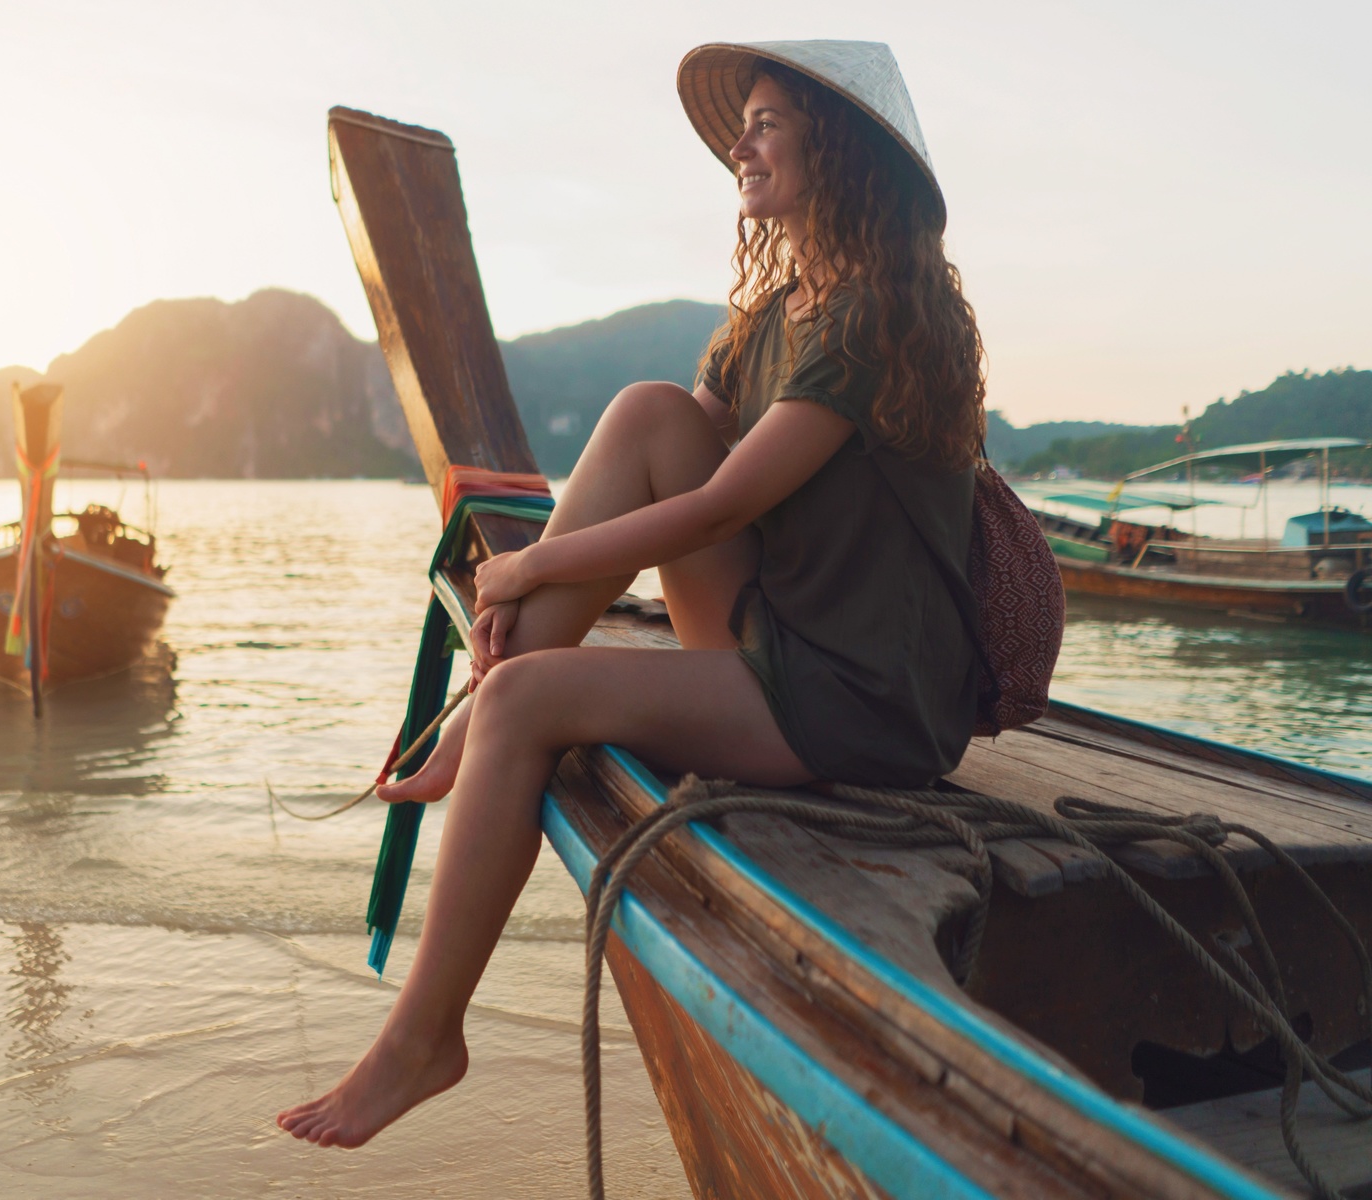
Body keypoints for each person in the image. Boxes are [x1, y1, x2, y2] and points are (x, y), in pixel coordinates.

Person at [278, 40, 987, 1148]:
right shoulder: (771, 316)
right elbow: (664, 455)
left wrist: (528, 567)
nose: (742, 146)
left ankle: (427, 1034)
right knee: (649, 409)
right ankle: (489, 701)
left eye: (767, 123)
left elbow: (713, 513)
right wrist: (537, 583)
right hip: (778, 635)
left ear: (836, 148)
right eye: (742, 125)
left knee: (526, 707)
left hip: (858, 693)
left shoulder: (877, 317)